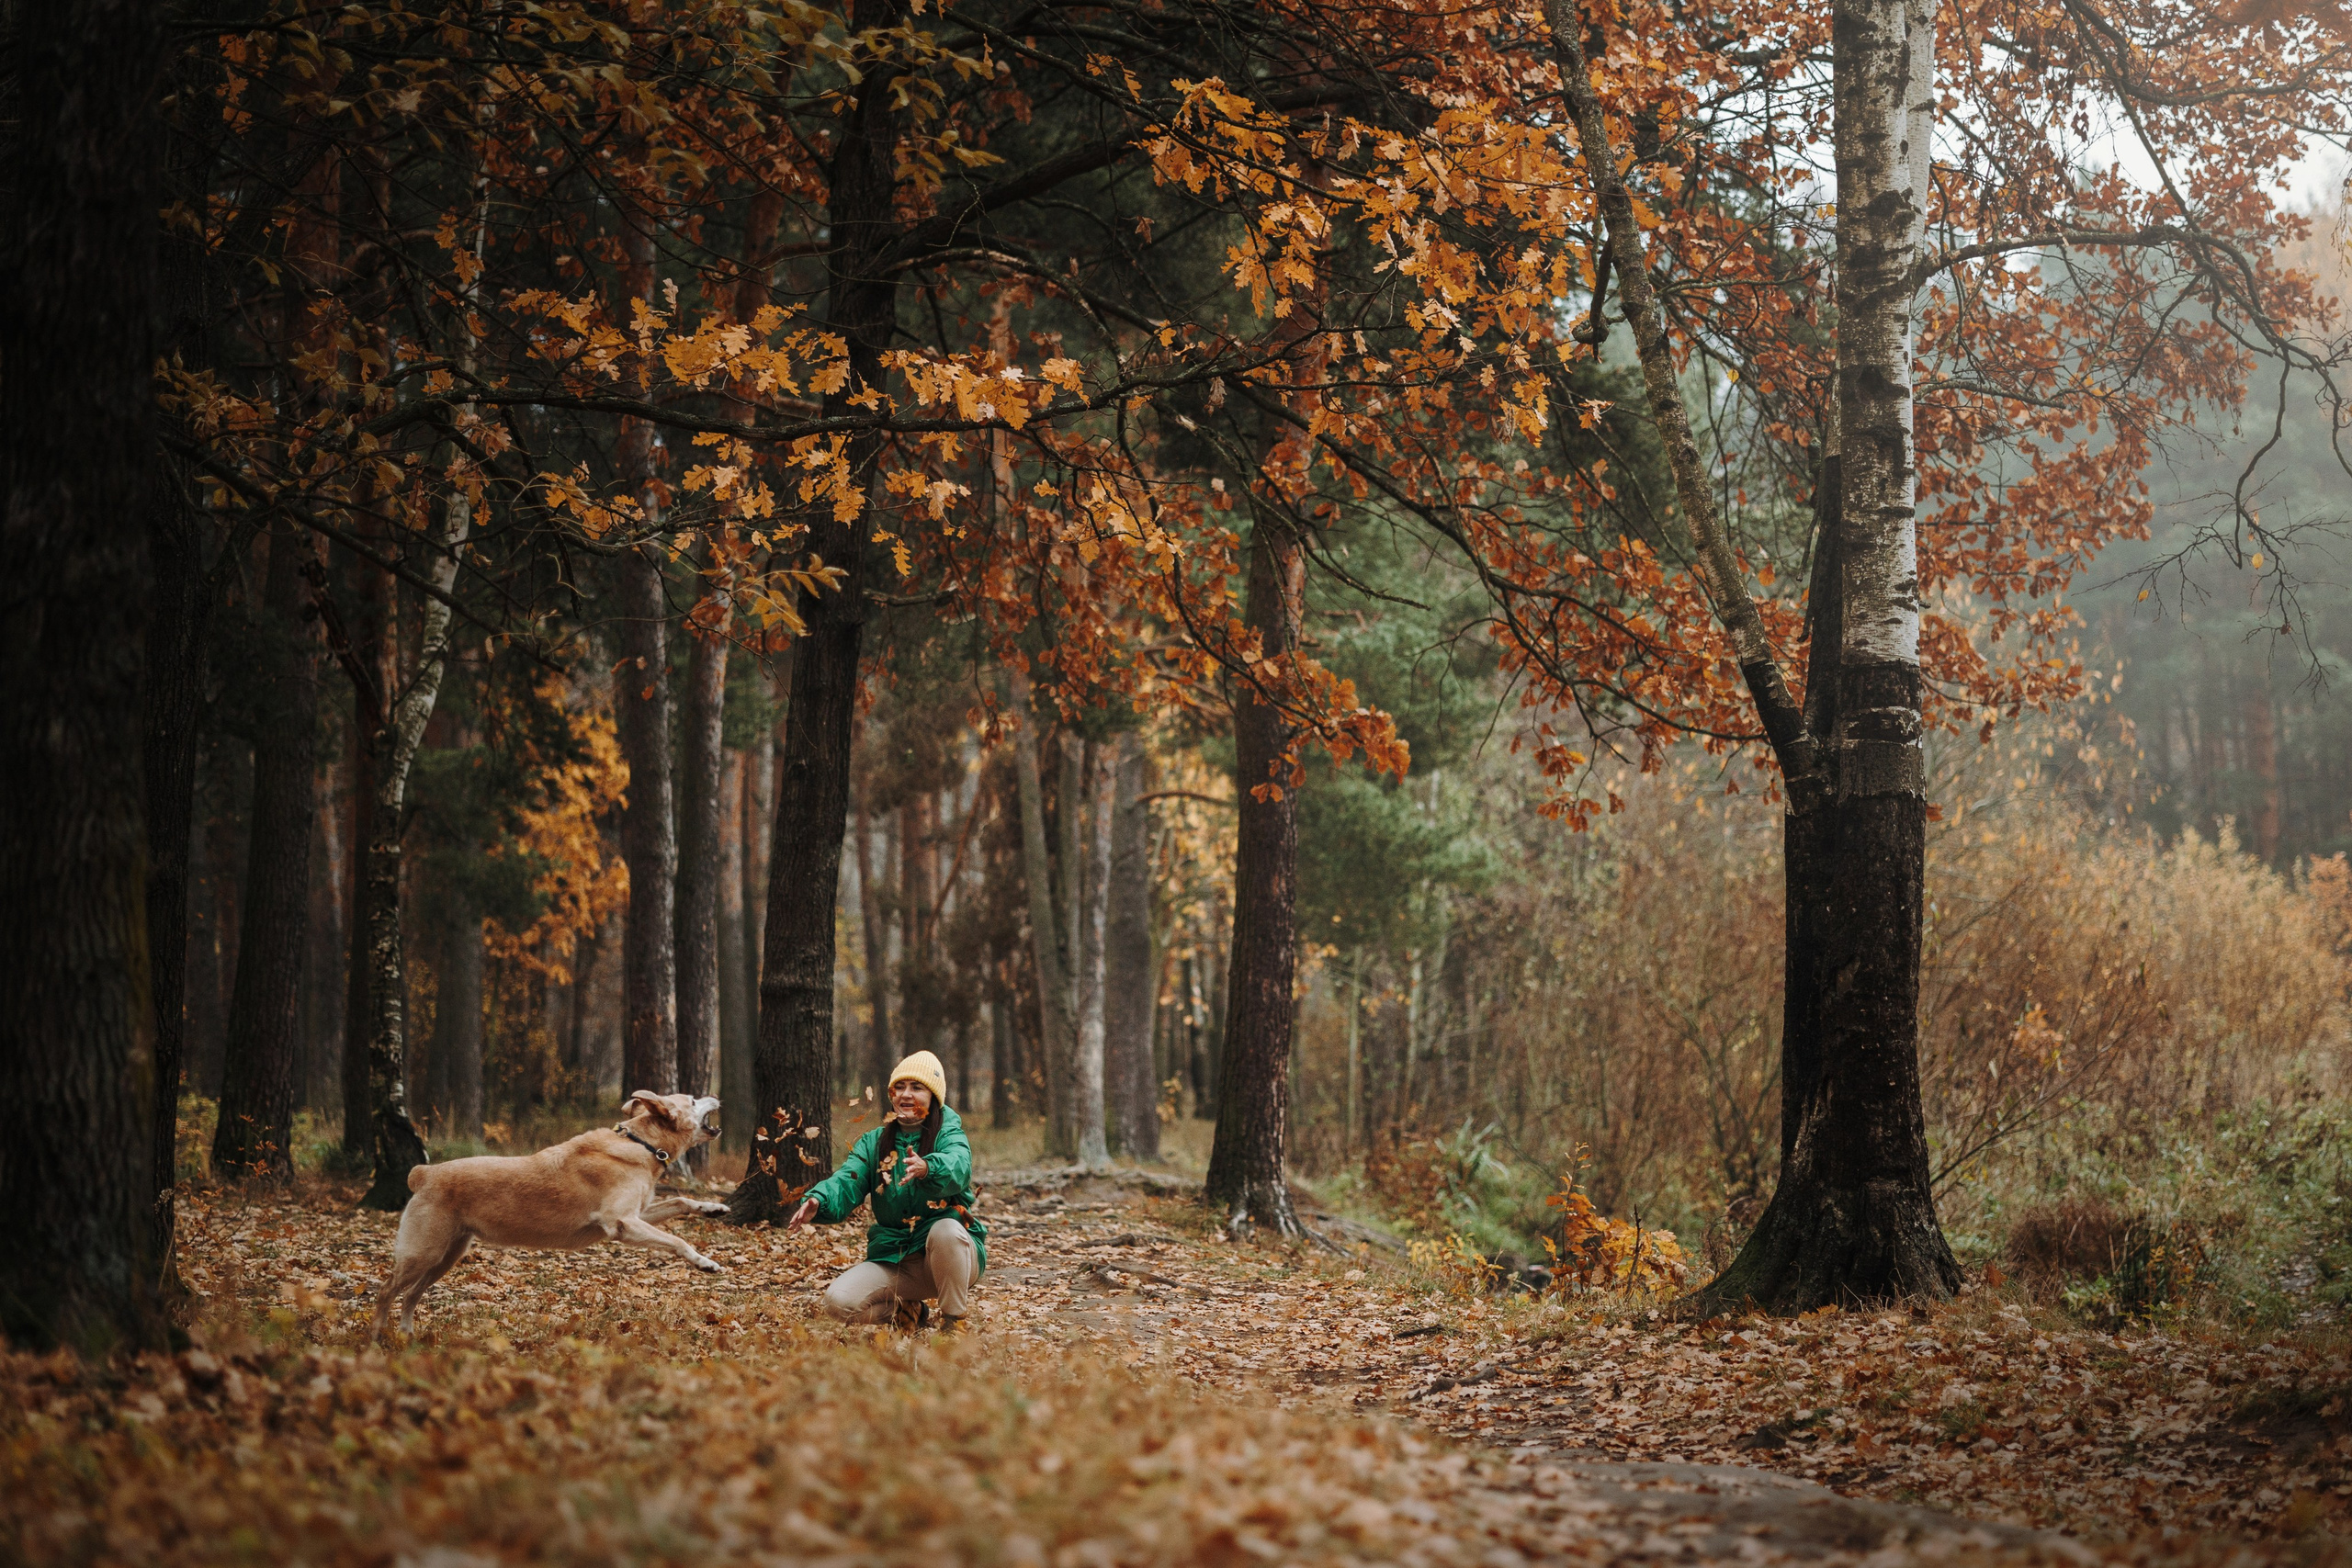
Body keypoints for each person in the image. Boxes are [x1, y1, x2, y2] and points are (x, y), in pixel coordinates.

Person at [790, 1050, 987, 1329]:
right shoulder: (873, 1143)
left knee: (946, 1230)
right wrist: (819, 1200)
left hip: (951, 1260)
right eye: (899, 1087)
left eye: (917, 1088)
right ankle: (907, 1311)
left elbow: (959, 1165)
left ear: (933, 1097)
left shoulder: (948, 1134)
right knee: (838, 1303)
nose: (905, 1095)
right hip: (896, 1258)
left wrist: (929, 1168)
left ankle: (954, 1322)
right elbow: (849, 1178)